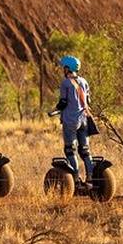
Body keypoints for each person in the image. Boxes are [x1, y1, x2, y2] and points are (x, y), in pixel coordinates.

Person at [53, 56, 94, 188]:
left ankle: (76, 180)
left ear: (68, 68)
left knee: (70, 150)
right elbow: (88, 102)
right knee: (85, 151)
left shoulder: (65, 83)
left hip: (70, 121)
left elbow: (63, 102)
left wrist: (53, 110)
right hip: (84, 121)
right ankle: (90, 179)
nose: (63, 70)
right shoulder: (84, 81)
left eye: (64, 67)